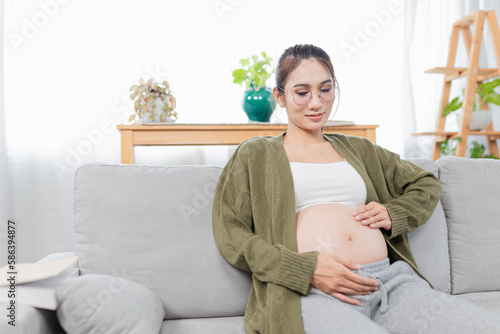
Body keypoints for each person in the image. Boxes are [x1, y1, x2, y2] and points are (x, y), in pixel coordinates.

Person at [212, 44, 500, 334]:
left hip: (389, 284)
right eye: (302, 93)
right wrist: (303, 269)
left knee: (483, 326)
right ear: (280, 96)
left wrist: (394, 212)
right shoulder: (255, 153)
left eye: (326, 89)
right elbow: (231, 233)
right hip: (309, 290)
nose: (316, 103)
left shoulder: (359, 149)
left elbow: (425, 182)